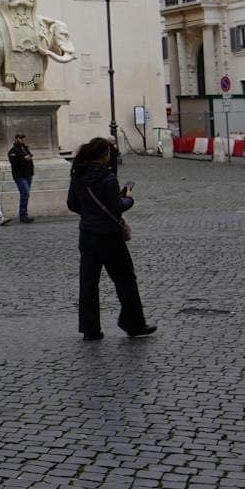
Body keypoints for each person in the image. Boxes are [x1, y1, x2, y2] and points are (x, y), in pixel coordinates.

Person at [68, 136, 155, 341]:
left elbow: (72, 203)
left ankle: (90, 329)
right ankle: (133, 323)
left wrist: (89, 214)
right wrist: (129, 198)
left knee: (88, 282)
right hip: (109, 235)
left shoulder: (78, 175)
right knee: (125, 279)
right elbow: (117, 206)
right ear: (104, 156)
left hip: (87, 234)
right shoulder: (108, 178)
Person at [9, 135, 36, 223]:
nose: (22, 140)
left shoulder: (25, 149)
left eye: (23, 138)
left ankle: (24, 214)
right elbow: (14, 162)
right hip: (20, 175)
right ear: (16, 139)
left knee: (25, 195)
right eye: (20, 138)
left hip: (28, 174)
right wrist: (24, 159)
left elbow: (29, 157)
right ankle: (22, 215)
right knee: (25, 193)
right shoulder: (13, 151)